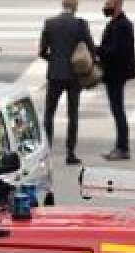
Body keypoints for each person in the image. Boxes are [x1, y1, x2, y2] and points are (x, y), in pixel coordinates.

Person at [39, 0, 94, 166]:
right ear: (75, 6)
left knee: (49, 114)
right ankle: (70, 152)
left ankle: (46, 151)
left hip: (55, 74)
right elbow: (90, 48)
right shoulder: (80, 25)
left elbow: (42, 51)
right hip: (73, 76)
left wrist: (53, 59)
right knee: (73, 114)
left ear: (63, 5)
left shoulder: (49, 23)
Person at [98, 0, 135, 161]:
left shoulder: (122, 25)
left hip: (116, 75)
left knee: (118, 111)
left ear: (118, 5)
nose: (106, 7)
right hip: (114, 74)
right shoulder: (115, 23)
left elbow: (116, 51)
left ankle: (122, 148)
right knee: (117, 110)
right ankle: (120, 147)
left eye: (109, 4)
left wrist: (96, 49)